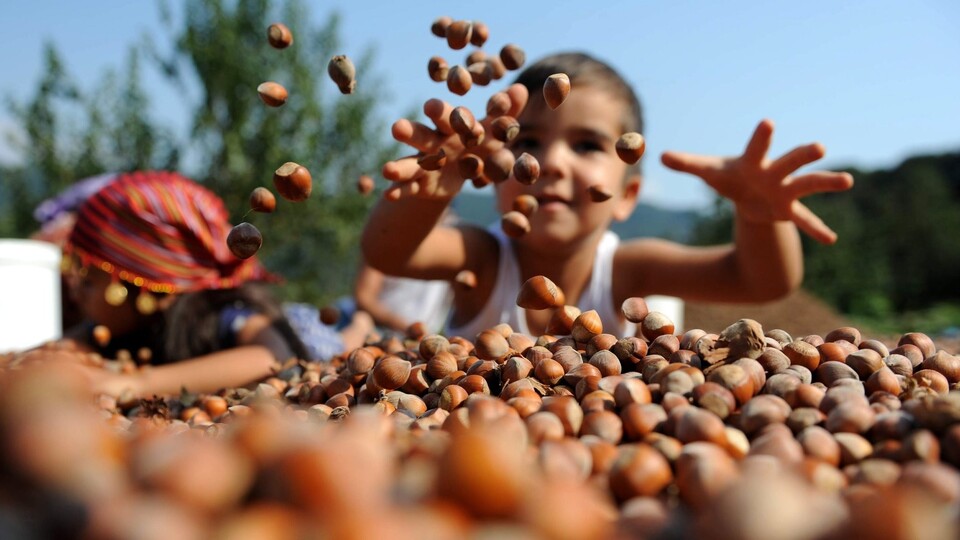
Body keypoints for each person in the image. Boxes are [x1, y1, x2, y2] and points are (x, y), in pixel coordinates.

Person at [361, 51, 854, 339]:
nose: (552, 163)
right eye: (527, 142)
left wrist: (759, 217)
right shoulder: (484, 258)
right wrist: (429, 191)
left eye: (587, 145)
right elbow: (388, 252)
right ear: (490, 173)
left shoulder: (629, 271)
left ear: (627, 195)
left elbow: (761, 281)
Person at [30, 170, 371, 398]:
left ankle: (364, 317)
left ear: (144, 285)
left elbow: (271, 354)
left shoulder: (219, 316)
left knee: (347, 338)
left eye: (88, 278)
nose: (73, 286)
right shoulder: (115, 326)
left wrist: (135, 383)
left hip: (302, 332)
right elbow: (75, 345)